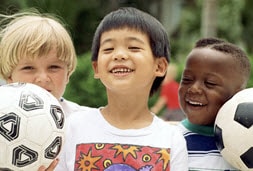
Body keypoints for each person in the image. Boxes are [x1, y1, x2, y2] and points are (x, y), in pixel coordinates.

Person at [45, 7, 188, 171]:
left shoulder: (171, 138)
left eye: (133, 47)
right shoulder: (72, 127)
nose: (119, 55)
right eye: (108, 49)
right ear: (96, 68)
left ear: (160, 66)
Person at [178, 37, 251, 170]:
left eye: (210, 83)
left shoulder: (247, 142)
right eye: (187, 79)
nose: (194, 88)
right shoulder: (170, 139)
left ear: (237, 95)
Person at [0, 10, 90, 118]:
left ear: (67, 73)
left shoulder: (84, 121)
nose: (43, 78)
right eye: (28, 68)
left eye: (53, 67)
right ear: (9, 76)